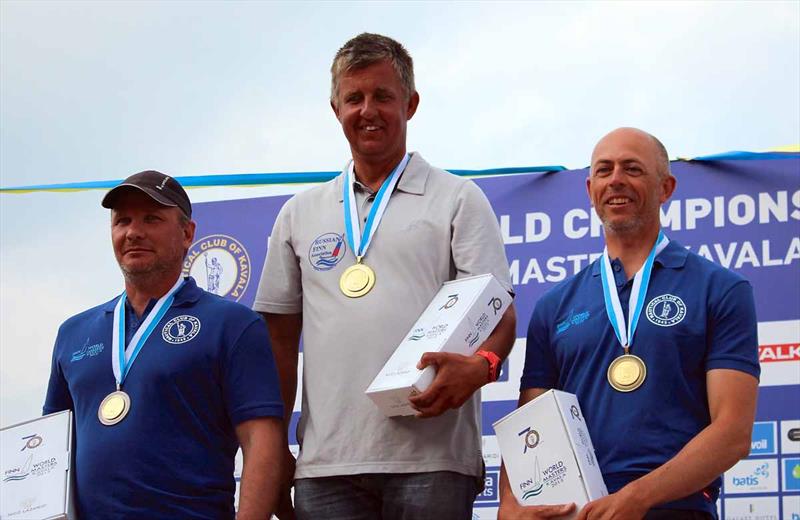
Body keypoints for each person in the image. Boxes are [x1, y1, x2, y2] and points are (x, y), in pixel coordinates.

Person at [254, 33, 516, 519]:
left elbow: (498, 313)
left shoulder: (457, 198)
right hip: (326, 467)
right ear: (336, 109)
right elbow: (278, 342)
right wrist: (271, 455)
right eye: (354, 98)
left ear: (411, 104)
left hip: (433, 460)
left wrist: (481, 366)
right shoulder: (299, 214)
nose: (367, 110)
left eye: (383, 96)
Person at [498, 128, 760, 520]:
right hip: (578, 511)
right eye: (604, 170)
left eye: (632, 169)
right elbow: (529, 426)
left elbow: (733, 433)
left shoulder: (720, 289)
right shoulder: (554, 306)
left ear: (665, 187)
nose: (616, 179)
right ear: (590, 189)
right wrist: (510, 505)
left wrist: (639, 496)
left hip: (676, 508)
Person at [43, 170, 285, 519]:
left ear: (187, 234)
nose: (133, 232)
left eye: (152, 218)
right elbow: (52, 453)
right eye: (122, 220)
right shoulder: (73, 333)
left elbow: (261, 442)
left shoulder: (232, 325)